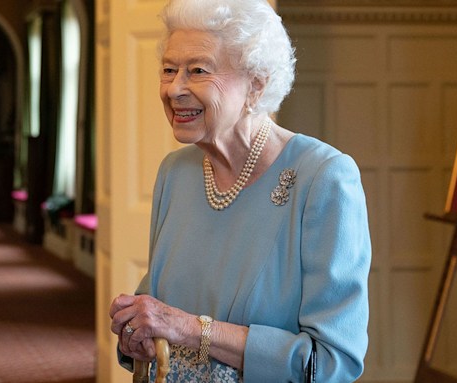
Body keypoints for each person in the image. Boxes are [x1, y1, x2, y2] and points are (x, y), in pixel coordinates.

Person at [109, 0, 371, 381]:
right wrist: (137, 333)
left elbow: (331, 363)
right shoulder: (175, 174)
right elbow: (158, 313)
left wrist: (190, 329)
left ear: (256, 84)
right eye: (169, 70)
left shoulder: (323, 178)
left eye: (197, 70)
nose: (174, 89)